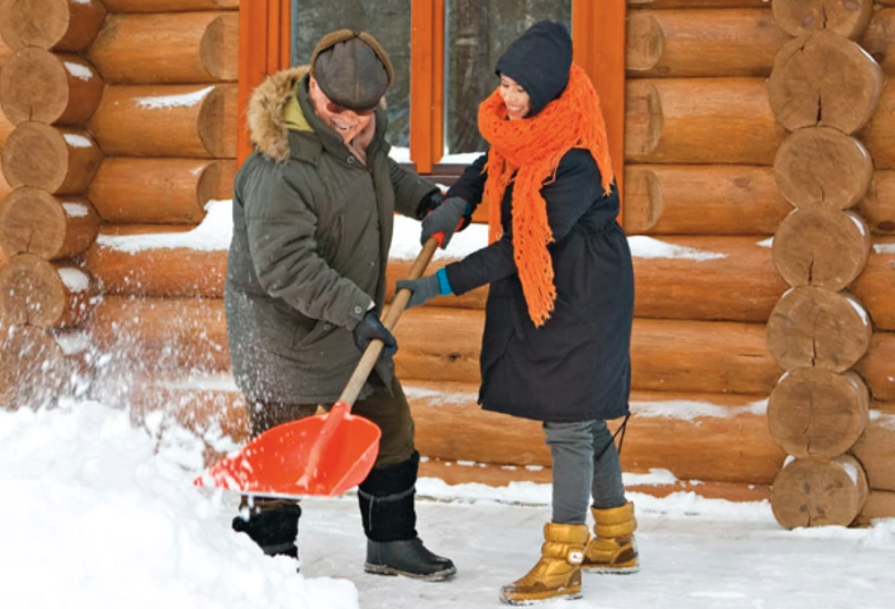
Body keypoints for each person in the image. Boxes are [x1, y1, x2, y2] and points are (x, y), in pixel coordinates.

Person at [396, 21, 636, 604]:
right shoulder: (518, 129)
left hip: (584, 290)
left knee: (570, 422)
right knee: (582, 416)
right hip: (552, 282)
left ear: (549, 90)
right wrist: (457, 200)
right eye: (504, 82)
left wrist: (441, 285)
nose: (508, 97)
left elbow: (519, 249)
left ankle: (564, 560)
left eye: (520, 89)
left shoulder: (577, 157)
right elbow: (487, 164)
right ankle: (616, 537)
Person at [224, 29, 455, 581]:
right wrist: (356, 311)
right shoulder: (279, 166)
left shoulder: (363, 137)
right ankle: (267, 565)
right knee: (281, 452)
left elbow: (379, 172)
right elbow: (285, 267)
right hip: (286, 333)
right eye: (338, 112)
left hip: (349, 321)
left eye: (364, 114)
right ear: (312, 91)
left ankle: (392, 543)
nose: (351, 124)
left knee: (391, 427)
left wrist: (421, 197)